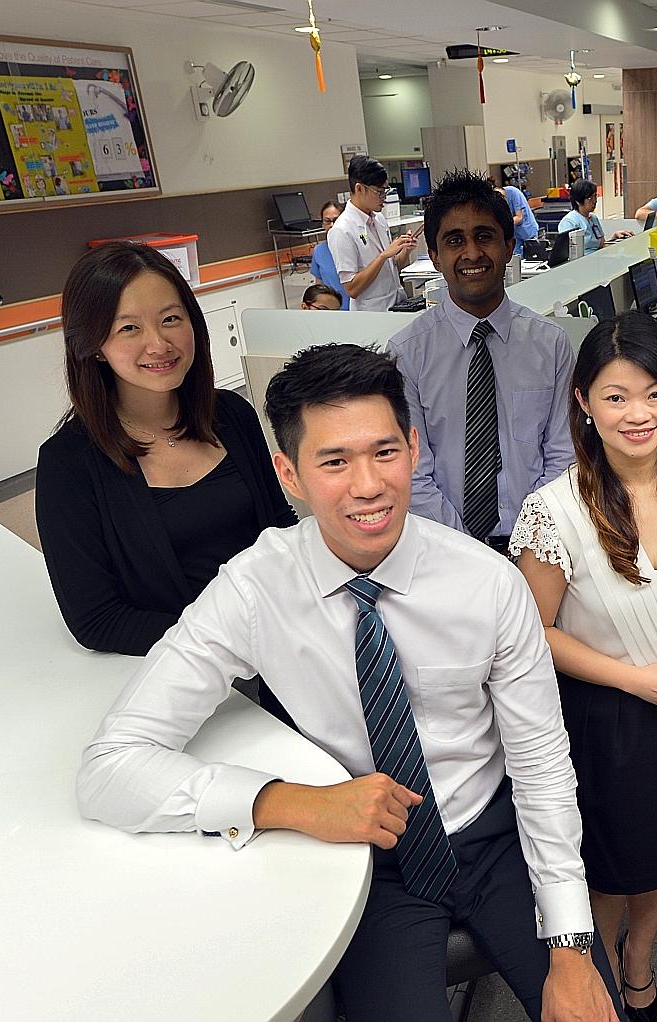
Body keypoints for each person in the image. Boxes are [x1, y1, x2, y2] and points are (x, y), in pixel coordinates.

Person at [77, 343, 622, 1022]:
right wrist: (289, 802)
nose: (368, 485)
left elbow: (540, 762)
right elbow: (109, 768)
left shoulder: (488, 584)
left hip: (494, 837)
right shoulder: (254, 588)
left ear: (414, 448)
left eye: (384, 452)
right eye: (334, 461)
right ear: (290, 473)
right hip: (365, 858)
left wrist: (570, 943)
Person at [511, 312, 657, 1022]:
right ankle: (594, 978)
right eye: (615, 396)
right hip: (598, 713)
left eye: (654, 393)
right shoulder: (555, 510)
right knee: (605, 867)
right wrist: (631, 678)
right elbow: (533, 634)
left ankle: (638, 963)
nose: (637, 414)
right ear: (583, 402)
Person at [35, 242, 297, 657]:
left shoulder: (229, 414)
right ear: (94, 344)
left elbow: (278, 525)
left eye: (171, 319)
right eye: (129, 328)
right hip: (185, 663)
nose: (158, 344)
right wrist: (234, 638)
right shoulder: (68, 464)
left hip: (282, 638)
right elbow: (97, 620)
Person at [391, 169, 575, 548]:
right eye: (455, 240)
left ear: (509, 247)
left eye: (484, 237)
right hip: (444, 544)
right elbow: (412, 469)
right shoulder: (407, 353)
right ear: (435, 256)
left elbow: (563, 454)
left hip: (540, 540)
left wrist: (531, 539)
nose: (471, 253)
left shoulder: (551, 344)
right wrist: (467, 552)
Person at [328, 155, 419, 311]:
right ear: (359, 188)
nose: (384, 197)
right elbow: (352, 288)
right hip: (372, 313)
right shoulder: (341, 230)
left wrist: (405, 250)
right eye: (379, 191)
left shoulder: (379, 219)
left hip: (397, 303)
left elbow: (392, 267)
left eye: (386, 190)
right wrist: (383, 256)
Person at [559, 180, 634, 254]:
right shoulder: (569, 222)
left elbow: (601, 245)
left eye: (595, 196)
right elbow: (568, 254)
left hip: (599, 258)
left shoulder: (593, 218)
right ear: (578, 201)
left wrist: (614, 237)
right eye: (590, 198)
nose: (594, 201)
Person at [309, 201, 348, 305]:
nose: (332, 225)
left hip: (355, 307)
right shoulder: (319, 251)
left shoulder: (352, 247)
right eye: (327, 221)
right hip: (332, 309)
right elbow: (319, 285)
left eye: (336, 220)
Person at [499, 184, 541, 255]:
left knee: (532, 257)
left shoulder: (512, 192)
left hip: (528, 230)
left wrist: (503, 224)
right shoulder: (495, 201)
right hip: (515, 234)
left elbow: (519, 217)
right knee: (516, 259)